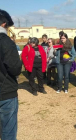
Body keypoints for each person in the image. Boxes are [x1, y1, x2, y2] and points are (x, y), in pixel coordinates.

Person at [0, 9, 22, 140]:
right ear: (3, 24)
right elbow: (15, 68)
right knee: (8, 131)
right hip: (5, 92)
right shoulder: (6, 42)